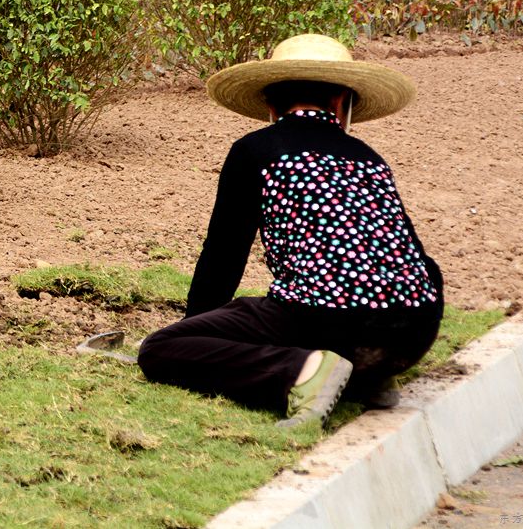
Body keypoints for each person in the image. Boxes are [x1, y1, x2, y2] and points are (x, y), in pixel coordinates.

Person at [136, 34, 444, 428]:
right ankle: (368, 376)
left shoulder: (256, 151)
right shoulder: (371, 158)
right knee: (388, 281)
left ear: (269, 105)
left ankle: (305, 373)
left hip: (326, 322)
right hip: (413, 334)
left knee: (162, 348)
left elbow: (224, 257)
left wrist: (195, 332)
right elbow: (414, 256)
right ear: (341, 103)